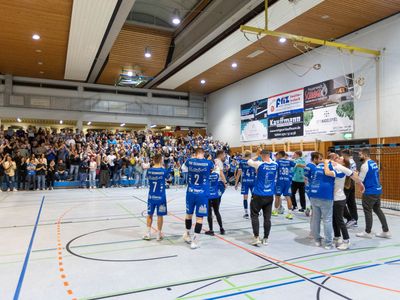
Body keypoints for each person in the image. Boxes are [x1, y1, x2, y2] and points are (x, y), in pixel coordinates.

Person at [325, 153, 364, 250]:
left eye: (339, 158)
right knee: (334, 220)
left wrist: (360, 184)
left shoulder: (342, 169)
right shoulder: (337, 167)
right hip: (333, 199)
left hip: (339, 199)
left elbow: (353, 175)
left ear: (342, 162)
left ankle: (346, 240)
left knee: (339, 221)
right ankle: (337, 237)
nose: (337, 158)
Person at [356, 148, 391, 239]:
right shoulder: (374, 163)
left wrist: (354, 174)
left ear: (365, 155)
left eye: (360, 155)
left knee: (368, 211)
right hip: (377, 190)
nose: (359, 156)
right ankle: (386, 231)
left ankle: (367, 232)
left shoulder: (364, 166)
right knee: (377, 210)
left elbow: (360, 180)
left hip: (370, 192)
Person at [183, 148, 214, 249]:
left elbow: (183, 168)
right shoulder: (208, 162)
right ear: (203, 154)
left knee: (189, 215)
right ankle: (195, 242)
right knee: (199, 218)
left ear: (195, 154)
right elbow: (213, 170)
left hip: (191, 192)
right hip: (202, 194)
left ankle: (187, 235)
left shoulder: (189, 161)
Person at [247, 149, 278, 246]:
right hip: (269, 195)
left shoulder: (260, 164)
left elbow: (248, 161)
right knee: (267, 218)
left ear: (262, 155)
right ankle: (266, 238)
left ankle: (256, 237)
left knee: (254, 215)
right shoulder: (275, 165)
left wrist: (256, 155)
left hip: (258, 194)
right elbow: (270, 161)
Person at [143, 154, 169, 241]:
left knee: (149, 214)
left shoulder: (149, 170)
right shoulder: (163, 171)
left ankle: (148, 233)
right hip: (161, 197)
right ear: (161, 160)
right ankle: (158, 234)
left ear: (153, 160)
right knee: (160, 216)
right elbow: (169, 179)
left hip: (151, 196)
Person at [273, 151, 296, 219]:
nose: (276, 156)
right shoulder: (289, 161)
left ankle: (275, 211)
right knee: (288, 197)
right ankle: (290, 213)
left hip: (280, 181)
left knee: (277, 196)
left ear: (280, 155)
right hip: (287, 181)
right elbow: (295, 165)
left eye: (277, 155)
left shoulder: (277, 161)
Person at [235, 150, 256, 219]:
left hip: (245, 182)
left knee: (245, 197)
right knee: (254, 197)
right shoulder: (252, 162)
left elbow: (238, 174)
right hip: (253, 181)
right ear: (250, 155)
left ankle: (246, 213)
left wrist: (236, 183)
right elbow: (257, 172)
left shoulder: (241, 162)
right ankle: (255, 211)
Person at [341, 149, 358, 228]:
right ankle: (354, 220)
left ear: (345, 154)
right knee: (352, 202)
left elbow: (347, 173)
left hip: (347, 183)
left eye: (343, 155)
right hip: (352, 182)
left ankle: (350, 219)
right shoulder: (353, 161)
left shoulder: (348, 162)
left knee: (342, 202)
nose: (342, 156)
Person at [205, 168, 225, 236]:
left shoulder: (205, 175)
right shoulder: (216, 175)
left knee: (209, 213)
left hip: (208, 196)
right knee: (217, 212)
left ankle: (211, 230)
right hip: (215, 196)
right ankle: (221, 228)